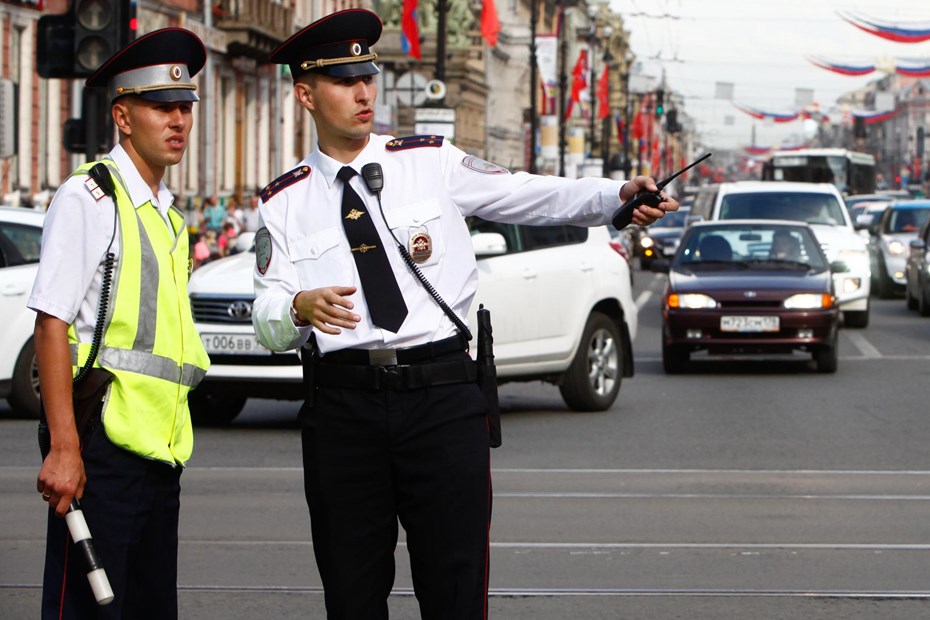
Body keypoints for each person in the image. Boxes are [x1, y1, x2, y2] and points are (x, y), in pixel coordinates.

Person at [252, 9, 678, 619]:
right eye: (345, 81)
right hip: (344, 411)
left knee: (455, 590)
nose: (364, 92)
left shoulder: (428, 160)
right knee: (351, 594)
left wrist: (615, 195)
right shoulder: (284, 202)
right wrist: (296, 305)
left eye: (367, 76)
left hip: (441, 398)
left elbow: (526, 193)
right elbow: (265, 312)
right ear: (305, 94)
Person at [28, 29, 211, 619]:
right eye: (162, 108)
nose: (178, 120)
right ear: (123, 116)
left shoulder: (166, 213)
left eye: (185, 108)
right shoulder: (90, 197)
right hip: (102, 446)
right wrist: (64, 448)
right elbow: (52, 322)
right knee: (87, 611)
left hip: (160, 454)